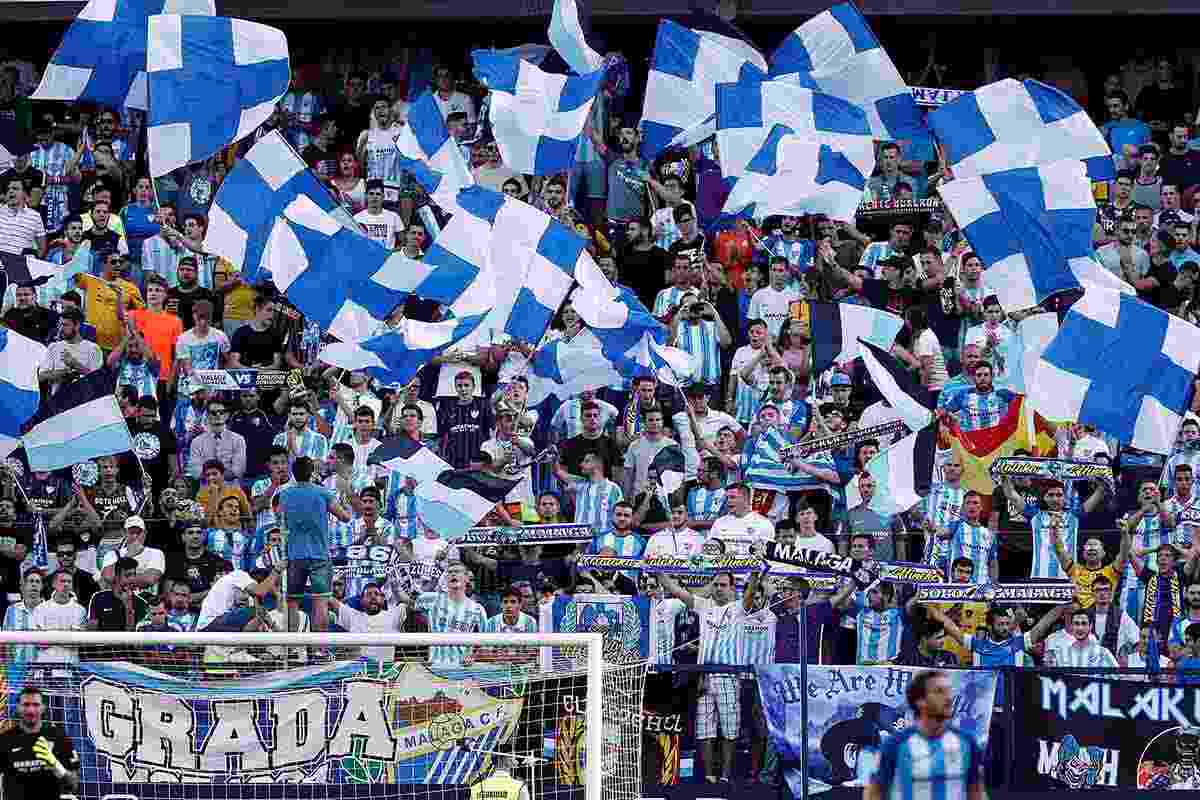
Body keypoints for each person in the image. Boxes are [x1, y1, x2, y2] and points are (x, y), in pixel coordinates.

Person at [865, 671, 983, 800]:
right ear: (920, 701)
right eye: (939, 692)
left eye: (949, 691)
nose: (949, 698)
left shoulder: (967, 742)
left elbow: (975, 791)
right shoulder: (895, 745)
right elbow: (875, 792)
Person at [278, 456, 351, 646]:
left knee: (293, 603)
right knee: (321, 602)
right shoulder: (323, 492)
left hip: (295, 556)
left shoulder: (284, 494)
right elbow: (345, 517)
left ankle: (292, 648)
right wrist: (344, 502)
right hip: (320, 555)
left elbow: (280, 517)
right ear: (311, 472)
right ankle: (320, 649)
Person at [0, 686, 80, 798]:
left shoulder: (59, 737)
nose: (31, 710)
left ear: (43, 707)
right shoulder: (5, 740)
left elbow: (73, 785)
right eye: (26, 705)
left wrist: (56, 766)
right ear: (18, 707)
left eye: (36, 705)